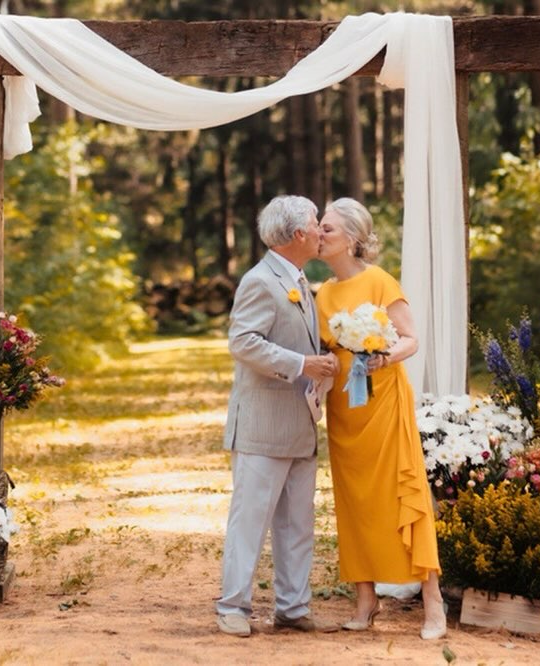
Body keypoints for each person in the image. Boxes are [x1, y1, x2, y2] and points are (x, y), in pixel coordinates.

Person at [314, 197, 446, 640]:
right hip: (345, 414)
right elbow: (325, 351)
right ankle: (366, 600)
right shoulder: (323, 294)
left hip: (385, 405)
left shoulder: (380, 281)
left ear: (351, 238)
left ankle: (432, 603)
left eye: (327, 229)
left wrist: (382, 357)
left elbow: (410, 339)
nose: (318, 235)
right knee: (355, 504)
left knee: (403, 495)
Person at [215, 195, 340, 638]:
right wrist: (303, 364)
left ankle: (292, 606)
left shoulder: (301, 280)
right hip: (263, 424)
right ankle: (233, 607)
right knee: (250, 519)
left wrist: (321, 360)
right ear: (296, 234)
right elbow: (243, 343)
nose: (321, 231)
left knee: (297, 523)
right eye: (314, 223)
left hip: (300, 423)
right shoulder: (260, 280)